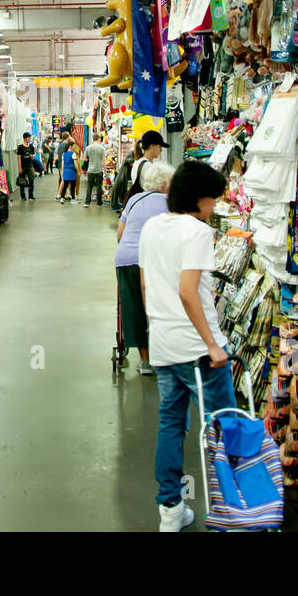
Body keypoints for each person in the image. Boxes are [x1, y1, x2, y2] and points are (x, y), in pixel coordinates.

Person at [137, 160, 232, 532]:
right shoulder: (197, 232)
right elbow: (188, 292)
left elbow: (147, 288)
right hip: (196, 349)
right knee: (223, 426)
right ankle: (232, 509)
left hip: (162, 342)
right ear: (200, 198)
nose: (213, 208)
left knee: (171, 424)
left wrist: (158, 327)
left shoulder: (151, 227)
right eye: (212, 200)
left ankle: (171, 511)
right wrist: (213, 345)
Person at [115, 162, 174, 375]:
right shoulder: (171, 202)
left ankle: (145, 360)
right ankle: (165, 354)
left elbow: (120, 235)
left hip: (127, 258)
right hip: (156, 260)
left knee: (134, 308)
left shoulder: (133, 199)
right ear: (165, 183)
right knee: (161, 305)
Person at [125, 130, 166, 203]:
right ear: (152, 145)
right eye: (160, 146)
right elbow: (154, 191)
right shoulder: (148, 166)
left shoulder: (137, 162)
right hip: (148, 203)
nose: (161, 150)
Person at [82, 133, 107, 207]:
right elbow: (104, 161)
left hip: (90, 170)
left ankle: (87, 202)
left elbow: (85, 159)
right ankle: (99, 202)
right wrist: (105, 170)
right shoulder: (102, 148)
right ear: (98, 139)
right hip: (99, 170)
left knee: (89, 186)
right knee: (99, 186)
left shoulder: (88, 148)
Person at [58, 133, 81, 203]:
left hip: (65, 171)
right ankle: (73, 199)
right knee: (73, 186)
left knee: (65, 185)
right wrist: (78, 171)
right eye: (73, 146)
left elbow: (62, 164)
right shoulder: (73, 154)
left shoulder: (64, 154)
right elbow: (76, 164)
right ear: (70, 146)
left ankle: (62, 198)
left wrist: (62, 171)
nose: (74, 147)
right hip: (72, 171)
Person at [16, 133, 37, 202]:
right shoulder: (20, 147)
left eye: (30, 138)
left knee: (31, 180)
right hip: (23, 166)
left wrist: (32, 157)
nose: (29, 139)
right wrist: (19, 168)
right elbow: (19, 158)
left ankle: (31, 196)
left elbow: (33, 156)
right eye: (28, 138)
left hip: (30, 166)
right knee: (22, 182)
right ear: (25, 138)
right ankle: (23, 196)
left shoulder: (31, 147)